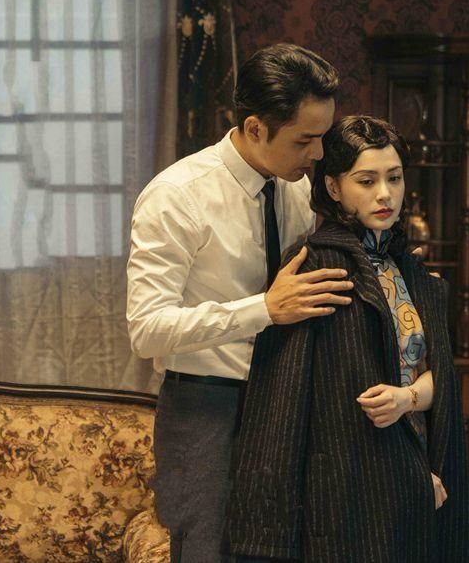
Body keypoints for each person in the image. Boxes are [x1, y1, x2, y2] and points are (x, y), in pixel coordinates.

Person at [126, 44, 355, 562]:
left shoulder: (295, 189)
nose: (319, 154)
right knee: (207, 553)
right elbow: (147, 328)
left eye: (322, 136)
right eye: (305, 140)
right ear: (255, 128)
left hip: (288, 401)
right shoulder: (176, 196)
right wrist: (263, 310)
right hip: (206, 408)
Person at [225, 116, 469, 562]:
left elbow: (444, 379)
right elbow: (289, 407)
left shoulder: (412, 270)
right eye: (366, 180)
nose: (385, 194)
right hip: (352, 498)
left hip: (424, 480)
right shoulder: (316, 268)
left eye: (394, 178)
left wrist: (406, 399)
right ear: (334, 187)